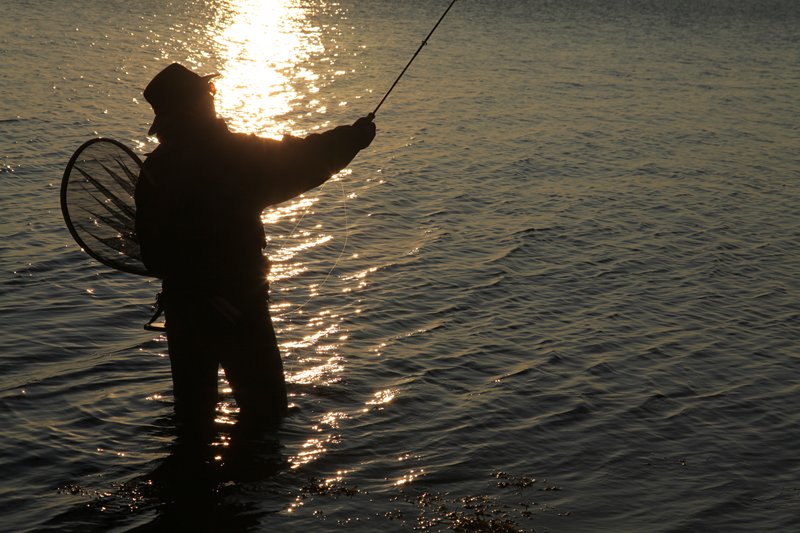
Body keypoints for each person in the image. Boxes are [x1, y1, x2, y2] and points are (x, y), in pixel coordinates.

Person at [134, 63, 375, 432]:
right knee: (266, 414)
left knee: (192, 422)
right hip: (238, 306)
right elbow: (301, 161)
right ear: (197, 105)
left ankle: (183, 484)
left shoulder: (156, 169)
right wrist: (352, 138)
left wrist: (194, 288)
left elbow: (152, 253)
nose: (213, 100)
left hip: (184, 311)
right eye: (207, 95)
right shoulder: (232, 156)